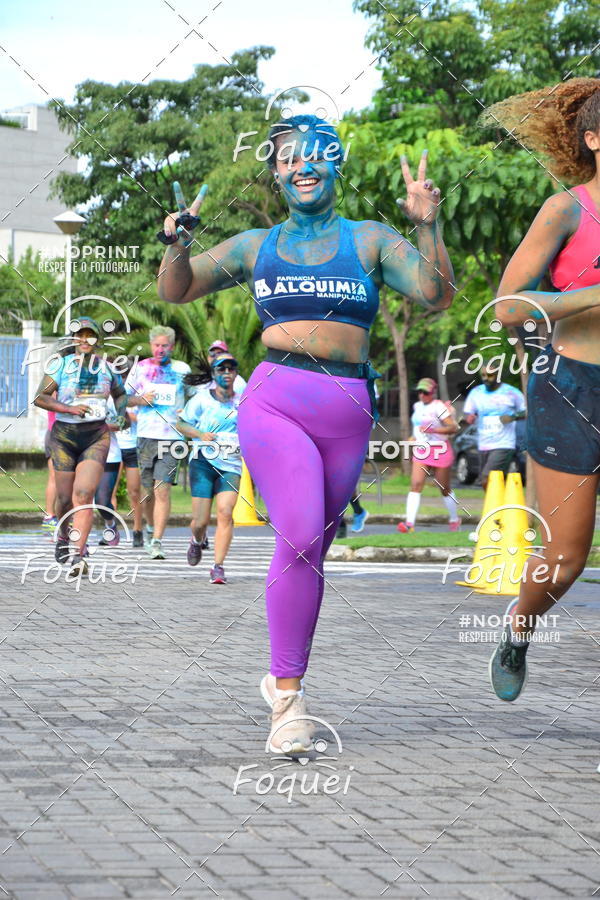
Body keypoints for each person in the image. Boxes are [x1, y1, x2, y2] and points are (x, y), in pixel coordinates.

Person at [157, 116, 454, 752]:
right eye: (289, 159)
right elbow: (176, 289)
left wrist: (428, 224)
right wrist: (177, 242)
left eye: (316, 155)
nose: (303, 167)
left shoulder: (370, 239)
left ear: (335, 165)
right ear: (276, 172)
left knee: (313, 549)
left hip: (347, 411)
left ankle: (281, 678)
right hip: (276, 402)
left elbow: (436, 294)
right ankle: (289, 701)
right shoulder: (254, 246)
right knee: (296, 538)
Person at [481, 78, 600, 702]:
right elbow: (507, 307)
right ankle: (520, 628)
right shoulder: (567, 210)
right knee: (564, 560)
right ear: (593, 139)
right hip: (570, 388)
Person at [33, 317, 127, 576]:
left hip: (96, 436)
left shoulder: (107, 368)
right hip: (64, 437)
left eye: (90, 335)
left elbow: (121, 394)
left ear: (97, 340)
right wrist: (68, 409)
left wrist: (120, 414)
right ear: (74, 339)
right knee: (65, 499)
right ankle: (64, 535)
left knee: (84, 495)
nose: (85, 340)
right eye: (80, 335)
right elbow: (40, 397)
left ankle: (78, 555)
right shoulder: (60, 365)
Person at [125, 327, 191, 560]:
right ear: (151, 345)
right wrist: (141, 400)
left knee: (162, 489)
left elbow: (195, 396)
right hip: (146, 436)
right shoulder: (140, 368)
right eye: (156, 345)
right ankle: (150, 526)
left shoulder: (182, 370)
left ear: (172, 347)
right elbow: (124, 398)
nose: (160, 349)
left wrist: (187, 412)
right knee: (147, 491)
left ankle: (157, 541)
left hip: (172, 438)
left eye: (164, 345)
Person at [176, 352, 242, 584]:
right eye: (221, 369)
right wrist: (199, 434)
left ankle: (218, 567)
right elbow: (181, 423)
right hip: (203, 461)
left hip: (231, 465)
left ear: (236, 373)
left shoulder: (244, 401)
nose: (227, 373)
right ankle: (197, 539)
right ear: (214, 374)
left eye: (231, 369)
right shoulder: (202, 399)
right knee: (200, 522)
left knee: (225, 512)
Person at [397, 377, 460, 533]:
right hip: (422, 449)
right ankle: (409, 524)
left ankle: (454, 519)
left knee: (444, 488)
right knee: (416, 484)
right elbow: (417, 427)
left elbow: (453, 427)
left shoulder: (438, 407)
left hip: (440, 449)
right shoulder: (417, 406)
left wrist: (433, 430)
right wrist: (413, 438)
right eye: (419, 391)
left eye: (425, 392)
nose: (422, 395)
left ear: (433, 392)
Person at [461, 363, 526, 490]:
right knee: (489, 481)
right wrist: (469, 418)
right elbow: (469, 414)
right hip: (483, 443)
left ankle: (497, 501)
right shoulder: (476, 392)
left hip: (504, 443)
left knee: (487, 477)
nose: (486, 378)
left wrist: (513, 416)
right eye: (483, 375)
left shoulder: (511, 392)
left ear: (498, 375)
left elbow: (526, 411)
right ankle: (499, 501)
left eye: (490, 375)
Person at [41, 409, 57, 529]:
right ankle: (49, 516)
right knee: (54, 477)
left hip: (72, 434)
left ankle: (68, 516)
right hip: (55, 433)